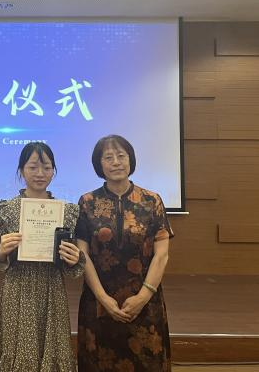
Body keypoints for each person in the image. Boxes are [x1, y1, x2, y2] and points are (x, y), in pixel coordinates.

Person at [75, 135, 173, 371]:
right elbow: (82, 255)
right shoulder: (87, 202)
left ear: (131, 160)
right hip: (99, 302)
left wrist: (143, 297)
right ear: (99, 164)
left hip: (145, 301)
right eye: (108, 158)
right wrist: (103, 299)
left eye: (121, 156)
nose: (116, 162)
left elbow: (161, 255)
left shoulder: (151, 201)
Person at [0, 141, 84, 371]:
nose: (40, 173)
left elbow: (71, 265)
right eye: (32, 167)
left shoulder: (67, 211)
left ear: (54, 171)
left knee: (54, 345)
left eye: (47, 167)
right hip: (17, 288)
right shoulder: (8, 208)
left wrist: (73, 258)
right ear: (21, 170)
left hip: (52, 287)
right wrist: (2, 250)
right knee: (16, 347)